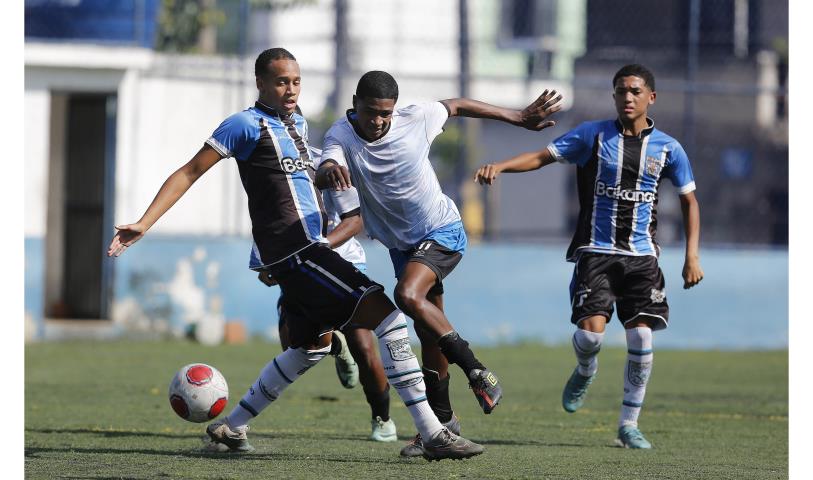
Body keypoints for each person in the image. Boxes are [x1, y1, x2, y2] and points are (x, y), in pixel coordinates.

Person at [107, 47, 484, 461]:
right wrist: (145, 222)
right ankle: (433, 432)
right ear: (261, 84)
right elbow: (190, 171)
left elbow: (305, 188)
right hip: (300, 253)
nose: (290, 90)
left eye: (296, 81)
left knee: (310, 347)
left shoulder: (299, 124)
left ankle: (232, 427)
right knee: (390, 318)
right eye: (281, 82)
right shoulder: (244, 126)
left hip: (300, 253)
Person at [316, 70, 562, 456]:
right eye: (370, 113)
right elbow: (326, 162)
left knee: (407, 295)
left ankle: (477, 369)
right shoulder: (339, 136)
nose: (378, 121)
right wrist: (328, 170)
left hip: (442, 230)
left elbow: (458, 105)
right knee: (429, 335)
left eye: (385, 113)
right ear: (355, 105)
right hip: (402, 246)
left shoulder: (416, 118)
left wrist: (517, 117)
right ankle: (442, 425)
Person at [473, 64, 704, 449]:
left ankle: (628, 425)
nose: (627, 98)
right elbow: (542, 156)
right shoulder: (592, 136)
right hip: (596, 253)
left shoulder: (668, 148)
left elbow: (689, 201)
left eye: (634, 91)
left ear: (651, 97)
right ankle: (585, 369)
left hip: (642, 258)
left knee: (642, 338)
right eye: (620, 92)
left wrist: (692, 256)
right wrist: (502, 166)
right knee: (589, 337)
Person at [251, 145, 397, 442]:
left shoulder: (327, 164)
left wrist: (320, 248)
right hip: (298, 264)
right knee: (295, 346)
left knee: (362, 342)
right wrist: (266, 262)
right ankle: (334, 345)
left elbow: (354, 220)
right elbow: (271, 220)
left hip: (341, 258)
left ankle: (382, 417)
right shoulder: (267, 169)